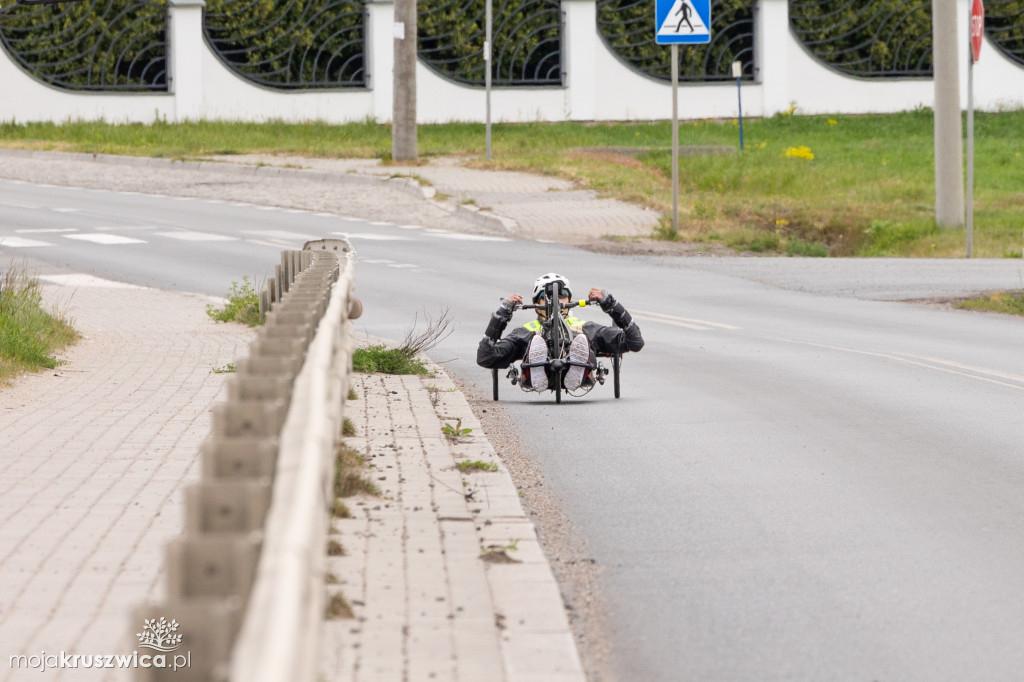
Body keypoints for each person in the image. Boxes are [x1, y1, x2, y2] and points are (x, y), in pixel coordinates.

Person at [477, 273, 644, 392]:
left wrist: (612, 305)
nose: (555, 300)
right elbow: (485, 357)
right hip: (535, 368)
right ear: (537, 302)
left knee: (582, 338)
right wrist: (502, 314)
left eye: (562, 295)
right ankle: (535, 370)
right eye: (545, 295)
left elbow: (635, 342)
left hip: (580, 356)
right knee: (532, 340)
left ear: (569, 300)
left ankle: (580, 365)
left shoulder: (587, 326)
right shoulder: (524, 331)